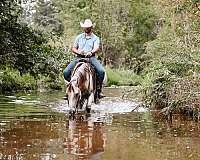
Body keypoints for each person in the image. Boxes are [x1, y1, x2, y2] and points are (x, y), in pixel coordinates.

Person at [63, 19, 105, 97]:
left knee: (101, 71)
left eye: (88, 27)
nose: (86, 28)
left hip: (90, 58)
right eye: (85, 27)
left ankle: (98, 89)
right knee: (65, 72)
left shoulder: (95, 38)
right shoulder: (79, 37)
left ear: (91, 27)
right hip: (79, 57)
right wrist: (78, 52)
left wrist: (91, 52)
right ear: (83, 27)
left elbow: (96, 47)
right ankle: (71, 88)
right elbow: (74, 48)